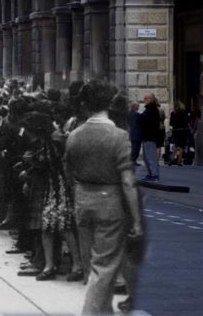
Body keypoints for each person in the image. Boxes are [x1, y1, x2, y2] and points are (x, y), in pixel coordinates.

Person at [64, 80, 143, 316]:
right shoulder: (118, 136)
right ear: (109, 104)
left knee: (94, 266)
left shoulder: (74, 135)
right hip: (110, 202)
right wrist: (136, 219)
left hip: (82, 198)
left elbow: (68, 170)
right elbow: (128, 181)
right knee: (105, 266)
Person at [139, 94, 161, 181]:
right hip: (146, 136)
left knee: (151, 157)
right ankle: (150, 174)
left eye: (146, 98)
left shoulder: (152, 109)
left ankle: (155, 175)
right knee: (146, 157)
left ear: (151, 99)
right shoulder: (148, 109)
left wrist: (141, 118)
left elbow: (149, 123)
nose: (144, 99)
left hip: (150, 137)